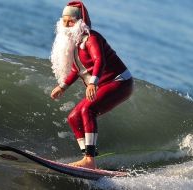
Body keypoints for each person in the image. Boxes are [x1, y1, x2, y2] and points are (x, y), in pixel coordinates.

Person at [50, 1, 133, 169]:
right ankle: (88, 157)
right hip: (102, 84)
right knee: (73, 117)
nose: (66, 25)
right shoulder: (74, 44)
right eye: (64, 21)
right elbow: (76, 69)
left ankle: (89, 160)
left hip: (119, 82)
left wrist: (92, 83)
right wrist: (62, 86)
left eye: (70, 22)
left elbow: (99, 60)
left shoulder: (91, 38)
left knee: (88, 110)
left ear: (80, 22)